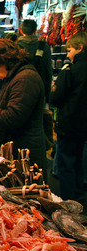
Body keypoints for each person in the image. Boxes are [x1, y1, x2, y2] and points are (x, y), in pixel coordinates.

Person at [0, 38, 47, 176]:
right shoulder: (16, 75)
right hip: (17, 147)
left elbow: (12, 117)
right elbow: (9, 97)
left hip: (26, 153)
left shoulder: (26, 78)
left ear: (2, 62)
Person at [49, 31, 87, 202]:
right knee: (79, 162)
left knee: (66, 165)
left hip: (70, 124)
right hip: (84, 127)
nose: (68, 54)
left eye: (70, 49)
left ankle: (68, 203)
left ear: (80, 48)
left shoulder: (71, 70)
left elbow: (56, 98)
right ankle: (80, 199)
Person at [17, 19, 53, 103]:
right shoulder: (43, 46)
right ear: (35, 30)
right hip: (40, 89)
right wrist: (47, 95)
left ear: (21, 31)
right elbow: (48, 71)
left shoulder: (16, 47)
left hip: (20, 88)